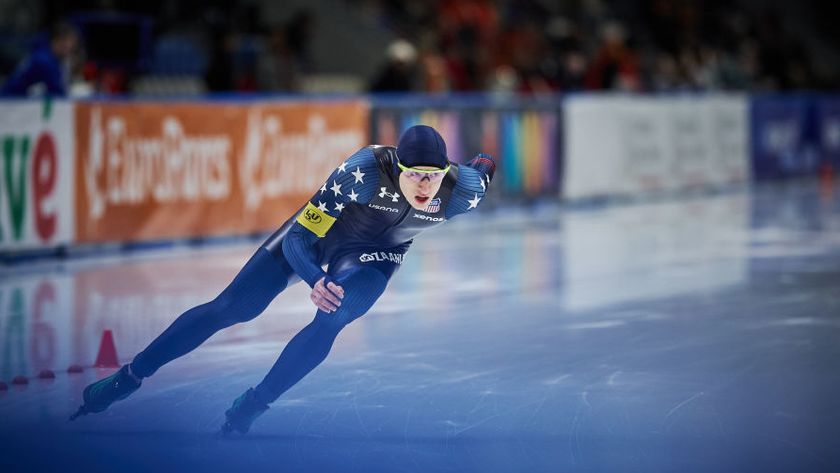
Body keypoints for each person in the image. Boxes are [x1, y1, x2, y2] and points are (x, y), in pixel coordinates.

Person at [71, 125, 496, 434]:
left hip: (376, 253)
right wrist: (313, 278)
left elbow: (483, 166)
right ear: (397, 166)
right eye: (415, 174)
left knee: (338, 312)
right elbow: (299, 237)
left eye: (434, 175)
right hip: (315, 238)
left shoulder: (464, 191)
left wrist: (475, 165)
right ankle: (130, 376)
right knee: (235, 307)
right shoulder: (362, 171)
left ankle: (255, 403)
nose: (425, 185)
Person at [1, 22, 78, 97]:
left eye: (71, 44)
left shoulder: (47, 55)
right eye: (66, 45)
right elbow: (58, 92)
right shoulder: (45, 61)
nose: (70, 48)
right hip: (10, 101)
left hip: (15, 98)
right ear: (56, 41)